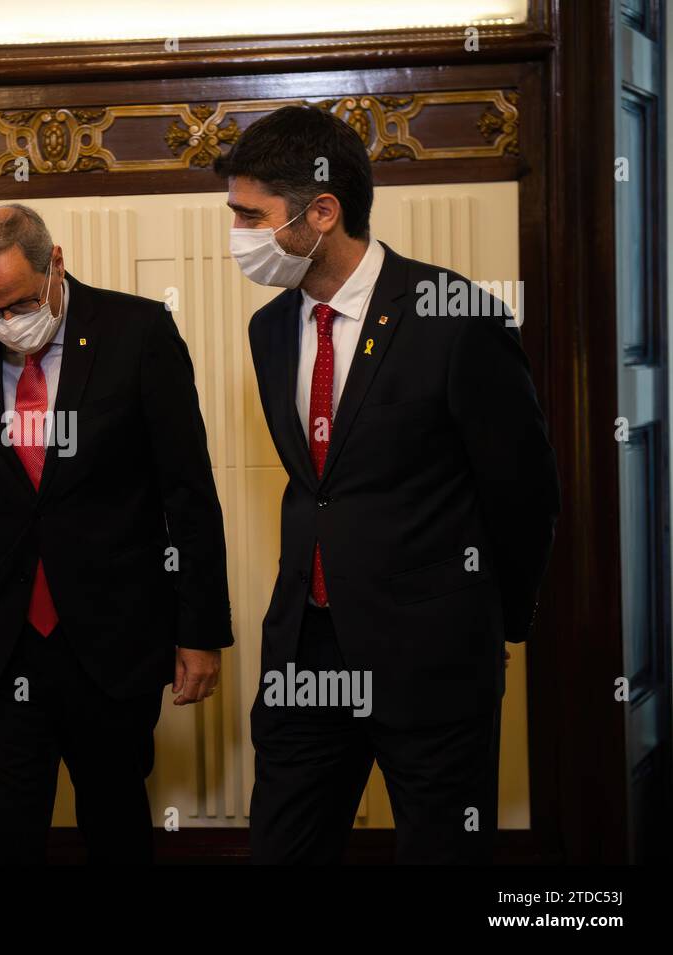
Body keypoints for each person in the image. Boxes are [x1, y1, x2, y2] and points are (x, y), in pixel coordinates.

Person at [217, 106, 560, 863]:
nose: (236, 235)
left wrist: (489, 620)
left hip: (431, 655)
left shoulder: (455, 314)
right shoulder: (269, 327)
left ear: (322, 210)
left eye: (250, 215)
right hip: (306, 651)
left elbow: (523, 489)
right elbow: (321, 485)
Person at [0, 203, 233, 864]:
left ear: (55, 262)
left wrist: (200, 630)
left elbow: (189, 492)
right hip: (2, 643)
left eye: (22, 302)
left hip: (112, 638)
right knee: (9, 831)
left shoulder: (139, 331)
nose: (8, 323)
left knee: (116, 822)